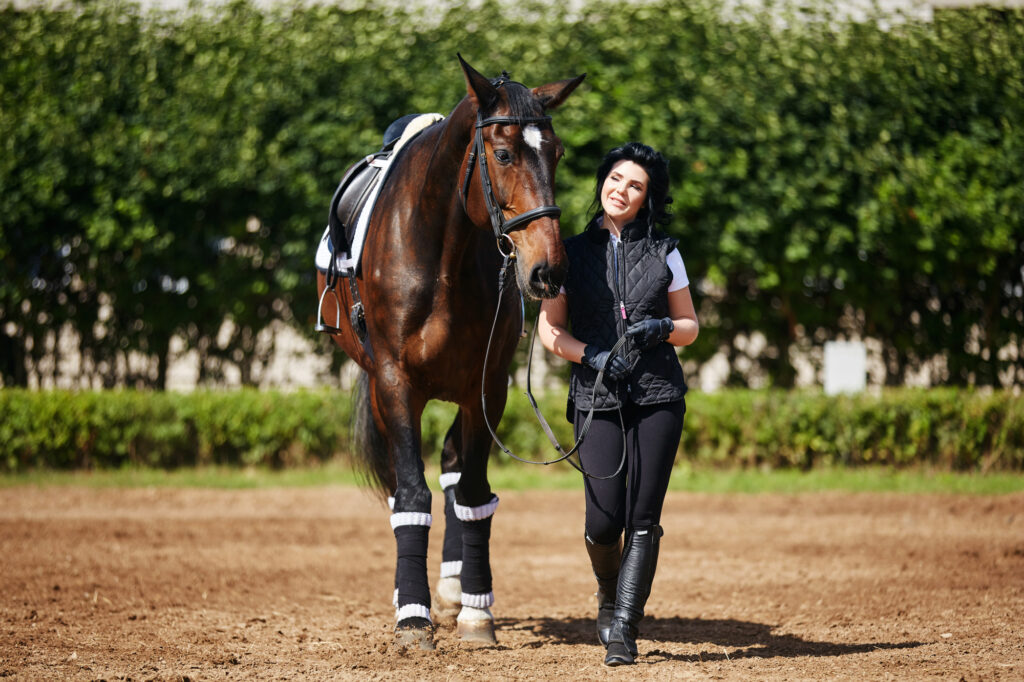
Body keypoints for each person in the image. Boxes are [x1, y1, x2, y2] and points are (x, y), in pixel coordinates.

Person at [538, 142, 699, 666]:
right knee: (604, 522)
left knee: (643, 518)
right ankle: (607, 591)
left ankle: (625, 627)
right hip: (597, 395)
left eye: (635, 185)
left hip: (658, 397)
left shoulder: (665, 251)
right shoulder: (569, 251)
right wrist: (595, 356)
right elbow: (550, 329)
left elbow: (691, 326)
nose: (621, 190)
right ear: (602, 183)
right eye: (615, 179)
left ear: (647, 197)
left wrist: (662, 329)